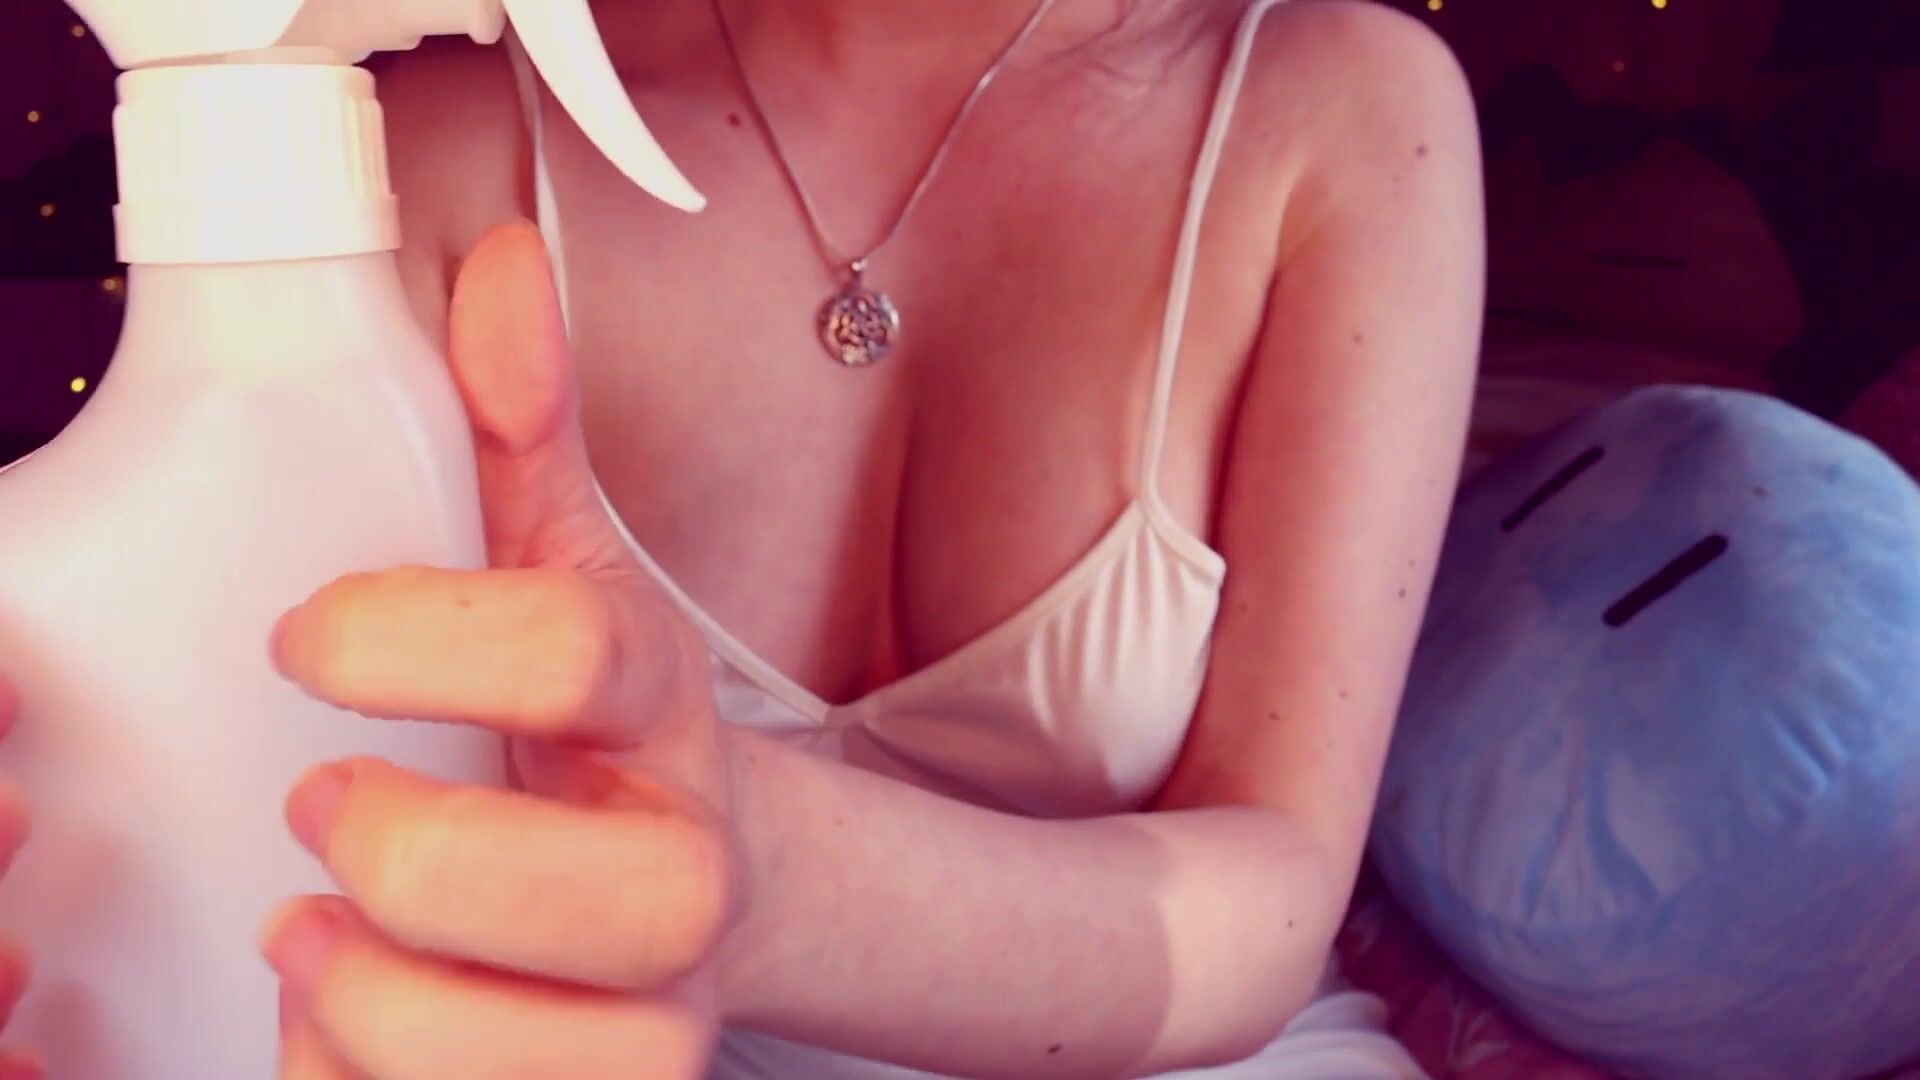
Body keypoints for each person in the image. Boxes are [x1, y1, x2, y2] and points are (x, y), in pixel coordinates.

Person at [0, 0, 1485, 1075]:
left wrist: (773, 886)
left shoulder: (1345, 108)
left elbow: (1280, 888)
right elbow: (265, 773)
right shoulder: (434, 123)